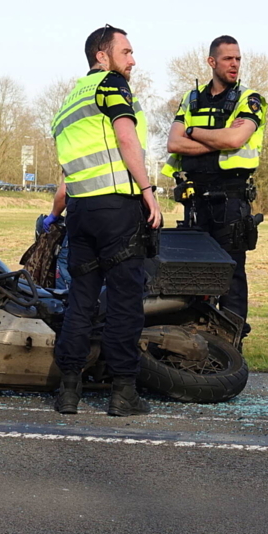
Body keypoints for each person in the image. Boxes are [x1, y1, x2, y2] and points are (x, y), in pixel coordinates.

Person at [51, 25, 161, 416]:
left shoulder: (68, 102)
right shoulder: (111, 85)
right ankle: (123, 392)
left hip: (82, 212)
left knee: (80, 300)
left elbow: (68, 175)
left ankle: (68, 392)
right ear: (103, 55)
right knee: (124, 302)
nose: (132, 60)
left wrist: (53, 216)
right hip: (118, 208)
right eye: (126, 51)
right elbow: (125, 138)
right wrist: (148, 190)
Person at [162, 35, 267, 348]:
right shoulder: (191, 99)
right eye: (227, 59)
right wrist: (214, 138)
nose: (234, 64)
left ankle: (231, 348)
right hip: (195, 200)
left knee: (231, 276)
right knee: (194, 275)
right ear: (212, 62)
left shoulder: (250, 99)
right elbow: (173, 143)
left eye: (237, 59)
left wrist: (193, 132)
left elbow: (236, 140)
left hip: (231, 201)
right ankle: (195, 344)